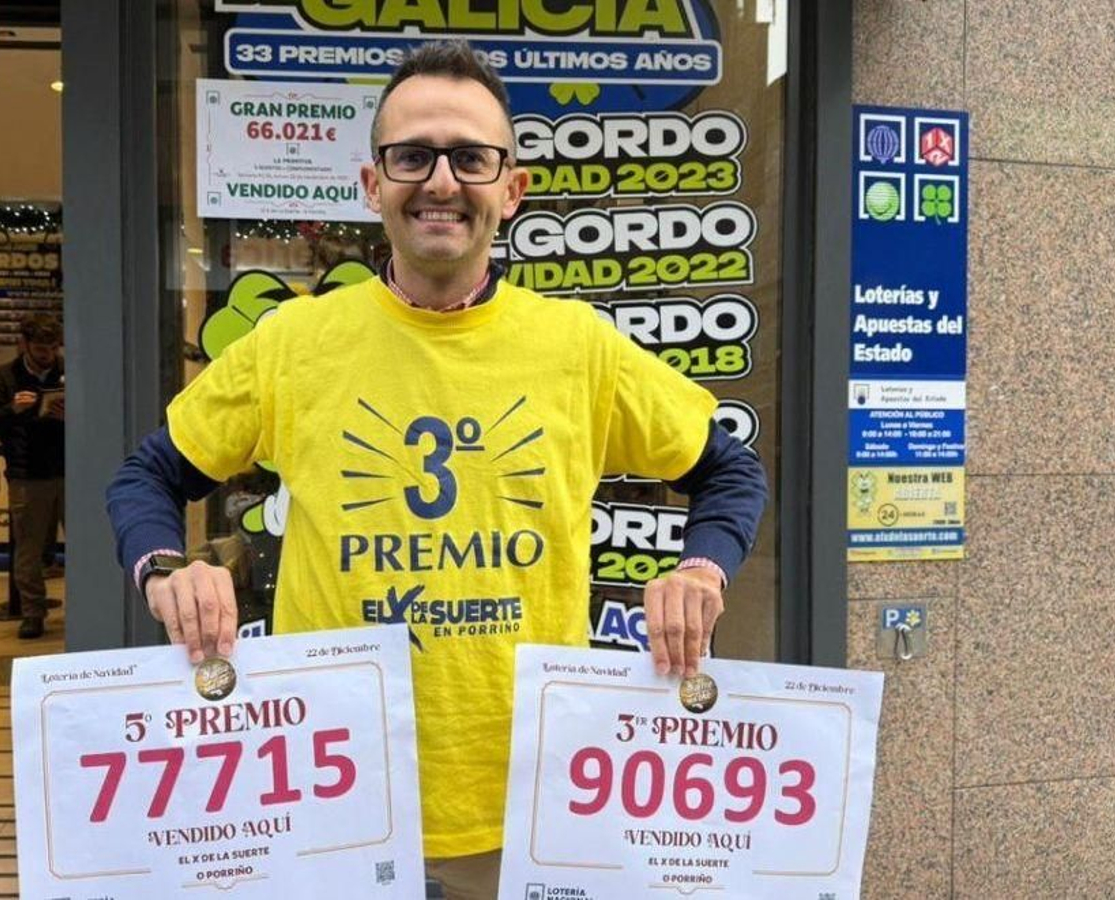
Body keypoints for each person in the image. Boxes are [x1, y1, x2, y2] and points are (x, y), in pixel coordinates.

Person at [105, 40, 768, 899]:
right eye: (412, 155)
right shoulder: (294, 344)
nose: (442, 180)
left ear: (512, 187)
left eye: (471, 157)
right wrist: (165, 566)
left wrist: (702, 568)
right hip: (329, 791)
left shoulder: (580, 350)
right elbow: (146, 477)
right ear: (372, 183)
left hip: (528, 802)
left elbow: (731, 470)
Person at [0, 314, 65, 640]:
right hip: (27, 473)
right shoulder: (6, 377)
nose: (46, 354)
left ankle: (85, 607)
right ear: (25, 344)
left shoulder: (69, 373)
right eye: (40, 348)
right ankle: (32, 612)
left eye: (52, 347)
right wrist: (11, 411)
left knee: (86, 544)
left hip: (70, 471)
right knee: (28, 548)